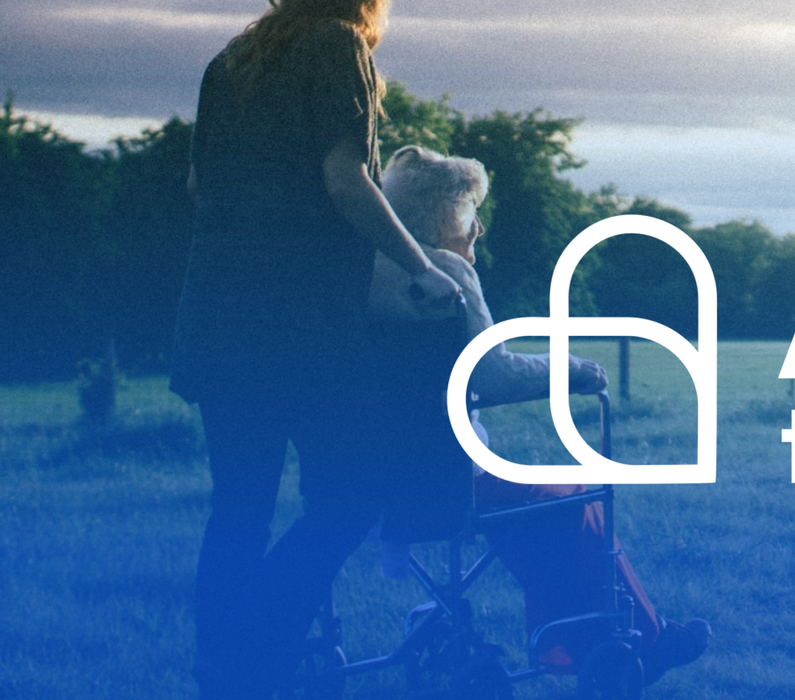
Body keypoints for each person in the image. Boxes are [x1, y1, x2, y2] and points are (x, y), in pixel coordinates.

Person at [173, 1, 458, 697]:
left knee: (239, 506)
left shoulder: (231, 61)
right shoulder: (336, 46)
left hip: (216, 315)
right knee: (352, 494)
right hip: (297, 324)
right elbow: (346, 180)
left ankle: (222, 671)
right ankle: (258, 649)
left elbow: (197, 186)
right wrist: (423, 267)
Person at [371, 145, 709, 684]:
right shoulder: (445, 274)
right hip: (448, 480)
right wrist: (573, 368)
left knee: (542, 504)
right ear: (438, 214)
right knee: (574, 497)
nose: (477, 226)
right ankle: (634, 639)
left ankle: (589, 641)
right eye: (467, 210)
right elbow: (493, 375)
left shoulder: (367, 274)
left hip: (376, 481)